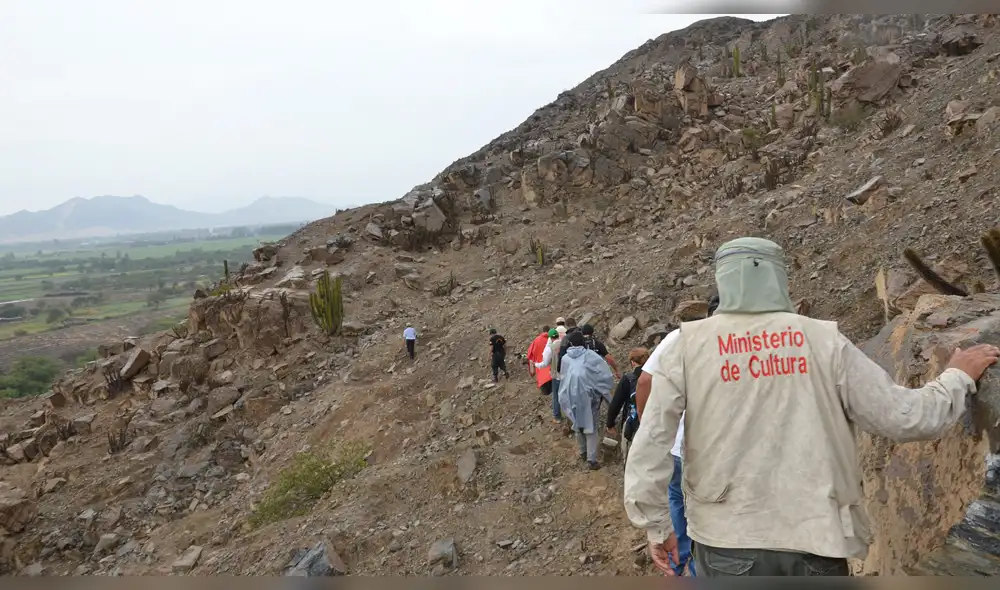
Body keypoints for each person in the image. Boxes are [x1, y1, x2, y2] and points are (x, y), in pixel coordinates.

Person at [623, 237, 1000, 577]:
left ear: (723, 278)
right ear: (779, 277)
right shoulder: (823, 341)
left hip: (727, 540)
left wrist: (657, 525)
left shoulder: (687, 345)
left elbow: (652, 441)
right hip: (816, 537)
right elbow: (904, 418)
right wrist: (957, 376)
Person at [559, 330, 616, 470]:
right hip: (590, 397)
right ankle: (592, 460)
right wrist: (603, 390)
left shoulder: (565, 358)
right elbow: (604, 375)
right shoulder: (591, 355)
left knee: (578, 423)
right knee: (591, 426)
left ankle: (583, 452)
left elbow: (563, 378)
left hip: (571, 397)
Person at [605, 347, 649, 462]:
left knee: (629, 456)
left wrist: (610, 423)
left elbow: (616, 403)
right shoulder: (657, 376)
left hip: (633, 422)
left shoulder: (629, 379)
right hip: (654, 423)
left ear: (633, 362)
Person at [534, 328, 564, 424]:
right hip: (566, 374)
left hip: (556, 375)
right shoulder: (563, 343)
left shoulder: (549, 348)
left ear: (550, 337)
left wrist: (536, 364)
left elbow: (545, 363)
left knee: (556, 396)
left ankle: (557, 417)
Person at [527, 325, 553, 396]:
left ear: (542, 331)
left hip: (542, 374)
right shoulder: (553, 339)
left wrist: (532, 371)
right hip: (554, 371)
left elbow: (530, 356)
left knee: (547, 395)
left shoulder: (536, 340)